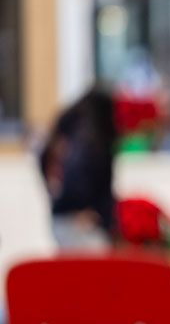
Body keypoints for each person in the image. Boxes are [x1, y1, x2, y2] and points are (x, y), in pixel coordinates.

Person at [40, 88, 118, 249]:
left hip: (63, 218)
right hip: (79, 223)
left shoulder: (68, 130)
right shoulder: (90, 138)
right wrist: (79, 208)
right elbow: (76, 176)